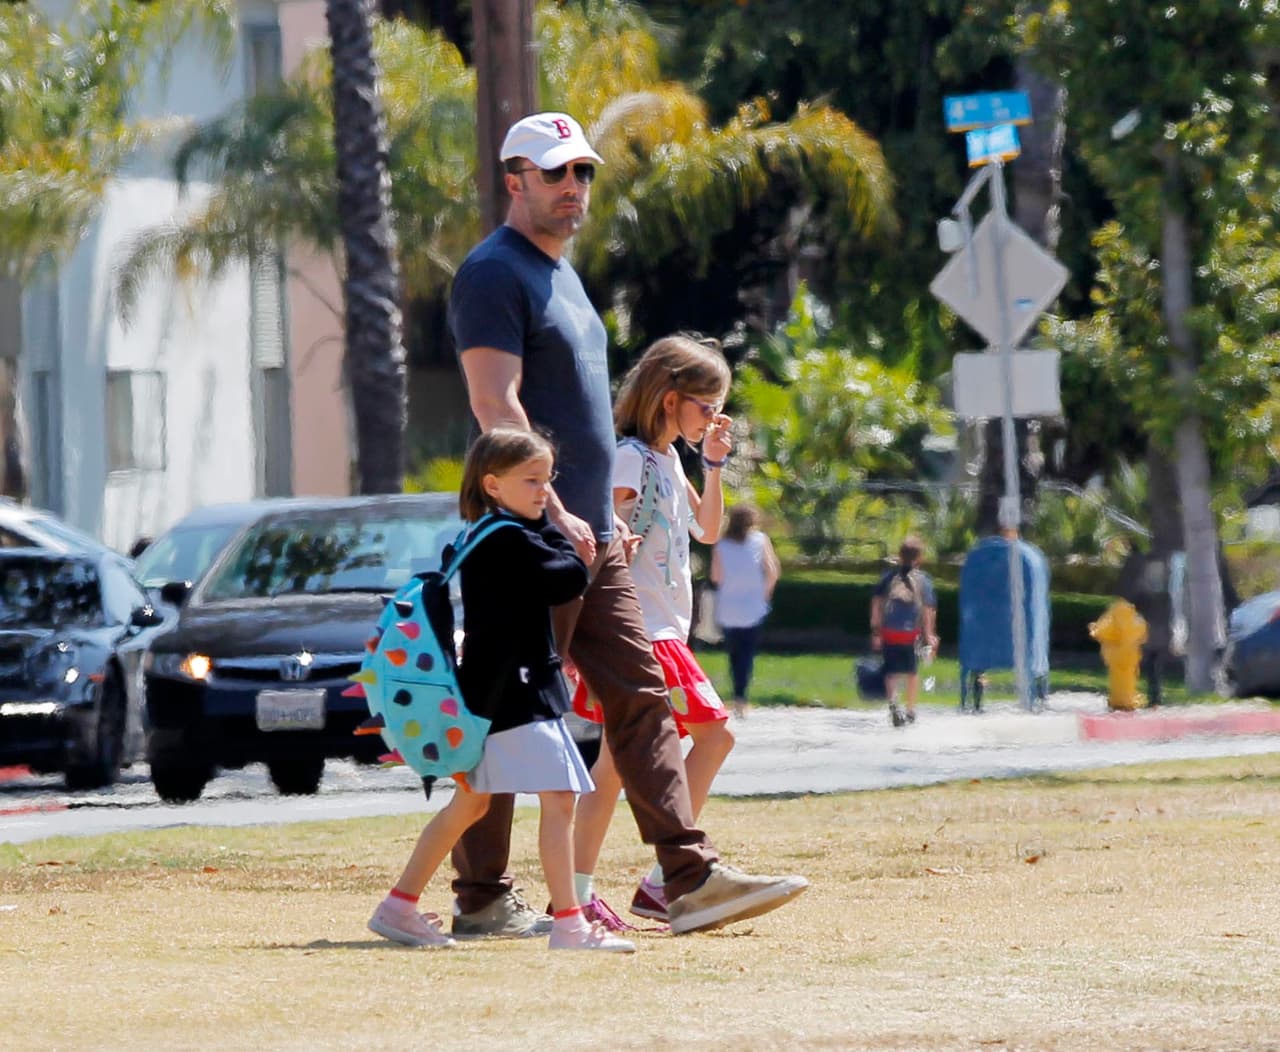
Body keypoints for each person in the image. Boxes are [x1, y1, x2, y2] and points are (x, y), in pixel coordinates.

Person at [448, 110, 807, 938]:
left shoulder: (566, 279)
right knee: (511, 713)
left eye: (583, 174)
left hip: (592, 541)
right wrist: (559, 508)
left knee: (642, 699)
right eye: (554, 173)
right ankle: (480, 897)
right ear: (515, 181)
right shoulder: (491, 274)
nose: (572, 188)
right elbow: (493, 406)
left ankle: (688, 877)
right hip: (531, 535)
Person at [367, 428, 634, 953]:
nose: (544, 491)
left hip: (493, 695)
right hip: (517, 694)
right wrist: (563, 530)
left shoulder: (483, 534)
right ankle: (571, 927)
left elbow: (558, 577)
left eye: (548, 479)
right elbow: (565, 580)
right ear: (492, 484)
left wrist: (554, 532)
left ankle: (399, 905)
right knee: (558, 799)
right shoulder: (508, 539)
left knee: (470, 805)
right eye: (532, 481)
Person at [568, 335, 737, 925]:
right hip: (643, 629)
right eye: (705, 406)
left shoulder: (666, 460)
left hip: (662, 628)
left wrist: (712, 464)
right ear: (669, 400)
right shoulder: (630, 457)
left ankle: (579, 893)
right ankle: (666, 876)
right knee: (715, 733)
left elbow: (708, 529)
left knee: (613, 767)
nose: (713, 417)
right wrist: (616, 531)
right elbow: (600, 524)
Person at [710, 503, 780, 718]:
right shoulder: (760, 541)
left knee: (733, 653)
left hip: (728, 606)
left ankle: (736, 694)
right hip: (753, 606)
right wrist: (764, 594)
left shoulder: (721, 545)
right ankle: (742, 697)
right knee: (747, 654)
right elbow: (772, 571)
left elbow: (716, 577)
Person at [870, 535, 938, 726]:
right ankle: (910, 710)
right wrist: (929, 635)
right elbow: (927, 610)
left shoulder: (887, 578)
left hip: (889, 632)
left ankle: (893, 704)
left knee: (891, 672)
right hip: (910, 635)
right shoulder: (923, 581)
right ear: (919, 558)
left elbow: (876, 603)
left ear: (899, 556)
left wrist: (876, 631)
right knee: (912, 673)